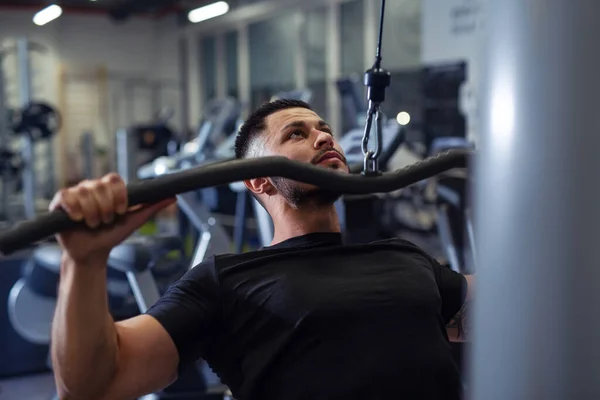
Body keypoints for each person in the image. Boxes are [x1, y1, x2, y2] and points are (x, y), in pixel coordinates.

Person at [51, 99, 474, 400]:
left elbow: (513, 312)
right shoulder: (225, 282)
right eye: (297, 134)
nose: (324, 138)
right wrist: (83, 262)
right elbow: (94, 384)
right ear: (259, 180)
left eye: (324, 129)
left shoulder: (406, 257)